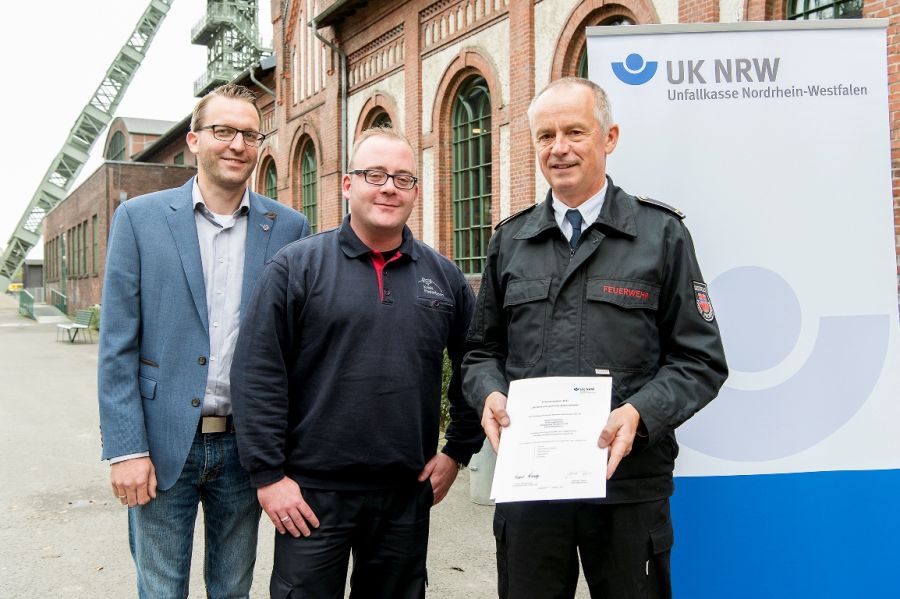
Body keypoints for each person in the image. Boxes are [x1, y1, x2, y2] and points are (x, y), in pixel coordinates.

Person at [462, 77, 728, 598]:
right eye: (545, 136)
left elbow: (700, 359)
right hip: (532, 489)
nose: (558, 148)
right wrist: (489, 393)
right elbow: (480, 352)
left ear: (609, 137)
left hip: (627, 487)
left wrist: (639, 414)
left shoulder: (661, 235)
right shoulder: (510, 240)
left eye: (574, 132)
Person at [231, 127, 485, 598]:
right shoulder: (297, 268)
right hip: (309, 495)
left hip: (406, 493)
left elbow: (475, 364)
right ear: (348, 185)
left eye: (402, 178)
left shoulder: (443, 277)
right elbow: (257, 374)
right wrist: (268, 475)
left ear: (414, 191)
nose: (389, 187)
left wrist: (457, 451)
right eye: (374, 174)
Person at [98, 83, 310, 598]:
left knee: (232, 589)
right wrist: (126, 449)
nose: (237, 144)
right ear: (195, 140)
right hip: (163, 442)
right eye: (223, 131)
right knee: (162, 588)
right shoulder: (139, 220)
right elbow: (117, 344)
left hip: (247, 447)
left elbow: (298, 347)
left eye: (248, 134)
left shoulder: (289, 228)